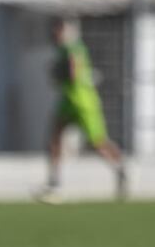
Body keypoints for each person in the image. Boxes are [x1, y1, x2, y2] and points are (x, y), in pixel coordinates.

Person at [36, 17, 127, 203]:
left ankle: (120, 169)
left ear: (65, 32)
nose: (56, 36)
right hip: (68, 102)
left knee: (98, 144)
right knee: (54, 138)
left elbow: (73, 70)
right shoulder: (62, 50)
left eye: (58, 32)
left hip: (84, 104)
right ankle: (54, 183)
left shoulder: (73, 48)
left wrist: (60, 74)